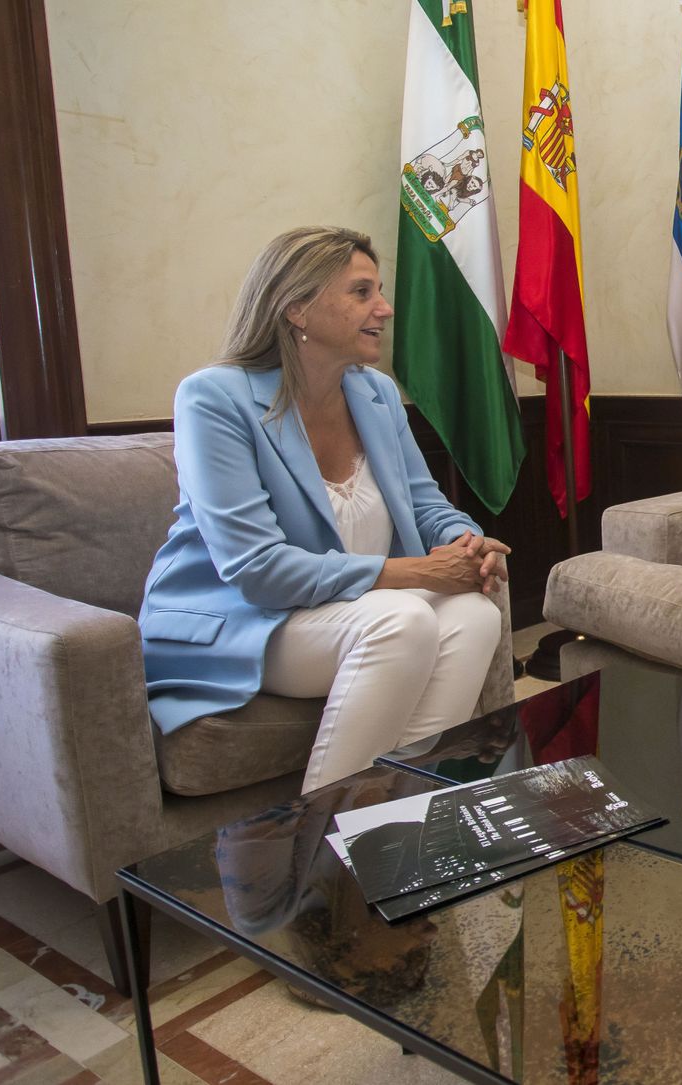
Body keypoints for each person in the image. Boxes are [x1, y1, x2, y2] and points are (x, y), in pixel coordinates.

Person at [140, 226, 509, 792]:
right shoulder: (213, 398)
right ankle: (323, 854)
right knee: (402, 620)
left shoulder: (376, 393)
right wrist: (411, 573)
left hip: (348, 609)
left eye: (379, 291)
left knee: (474, 614)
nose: (384, 308)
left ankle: (403, 814)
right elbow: (257, 569)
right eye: (362, 292)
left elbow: (425, 503)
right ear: (298, 309)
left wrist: (466, 541)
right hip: (249, 619)